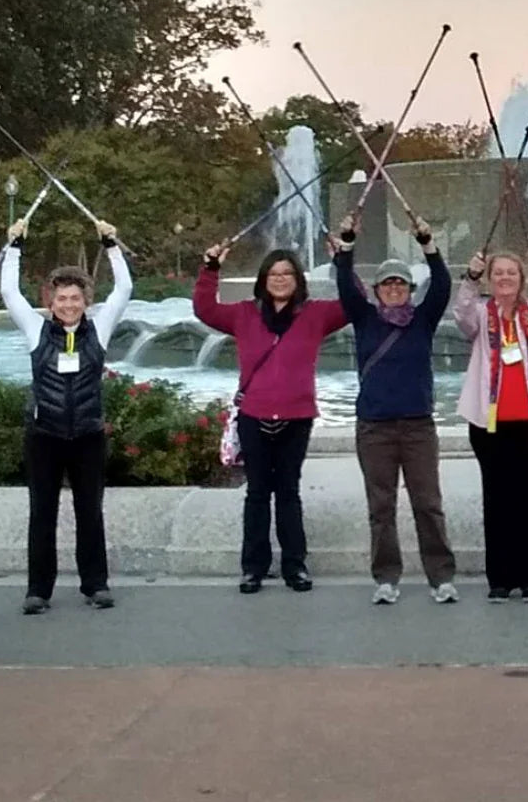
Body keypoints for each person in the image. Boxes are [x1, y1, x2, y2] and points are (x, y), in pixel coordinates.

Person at [194, 243, 349, 595]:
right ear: (264, 280)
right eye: (273, 274)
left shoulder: (315, 314)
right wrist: (210, 268)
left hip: (297, 416)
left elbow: (353, 305)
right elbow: (204, 309)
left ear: (298, 279)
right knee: (257, 493)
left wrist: (343, 262)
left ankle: (295, 566)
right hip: (254, 415)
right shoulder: (245, 314)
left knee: (289, 493)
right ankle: (253, 568)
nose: (280, 280)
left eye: (287, 274)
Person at [0, 217, 132, 615]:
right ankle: (38, 590)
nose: (69, 305)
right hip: (44, 436)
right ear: (51, 302)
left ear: (86, 301)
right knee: (42, 514)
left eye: (76, 298)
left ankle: (96, 585)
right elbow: (9, 290)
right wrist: (15, 246)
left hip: (89, 435)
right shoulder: (36, 331)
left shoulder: (100, 329)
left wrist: (111, 243)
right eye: (62, 299)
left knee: (90, 512)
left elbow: (124, 288)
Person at [332, 212, 458, 605]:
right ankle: (386, 578)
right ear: (376, 289)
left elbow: (443, 285)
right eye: (386, 284)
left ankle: (441, 578)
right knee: (381, 507)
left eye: (400, 283)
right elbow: (343, 284)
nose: (393, 289)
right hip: (375, 428)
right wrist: (348, 244)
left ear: (409, 289)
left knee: (428, 504)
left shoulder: (423, 320)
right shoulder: (364, 318)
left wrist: (428, 244)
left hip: (418, 426)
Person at [454, 244, 528, 602]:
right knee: (497, 498)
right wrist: (470, 278)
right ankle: (499, 579)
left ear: (521, 280)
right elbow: (460, 312)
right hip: (489, 423)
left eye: (512, 273)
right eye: (498, 272)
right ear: (490, 278)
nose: (504, 278)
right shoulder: (480, 315)